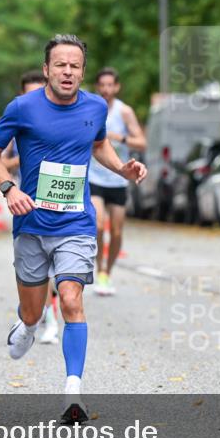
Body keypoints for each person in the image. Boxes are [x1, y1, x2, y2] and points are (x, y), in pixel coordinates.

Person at [0, 34, 147, 424]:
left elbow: (99, 145)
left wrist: (121, 168)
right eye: (60, 65)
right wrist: (9, 189)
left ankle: (73, 393)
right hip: (31, 223)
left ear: (83, 72)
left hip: (76, 222)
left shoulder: (95, 106)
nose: (67, 72)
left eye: (75, 66)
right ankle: (28, 324)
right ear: (46, 70)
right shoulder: (22, 107)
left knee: (71, 300)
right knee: (33, 310)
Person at [11, 70, 61, 345]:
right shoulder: (17, 121)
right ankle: (35, 316)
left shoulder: (61, 119)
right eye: (29, 94)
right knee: (37, 272)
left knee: (57, 271)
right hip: (29, 206)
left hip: (62, 205)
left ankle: (49, 321)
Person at [88, 67, 146, 296]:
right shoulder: (91, 107)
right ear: (97, 87)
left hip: (118, 179)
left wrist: (119, 138)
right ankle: (99, 267)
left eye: (110, 85)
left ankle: (107, 272)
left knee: (117, 232)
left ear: (117, 87)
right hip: (94, 176)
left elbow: (141, 142)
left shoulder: (124, 111)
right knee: (98, 225)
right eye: (102, 85)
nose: (106, 89)